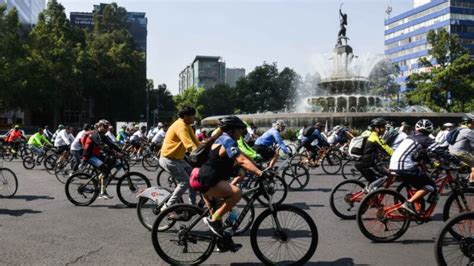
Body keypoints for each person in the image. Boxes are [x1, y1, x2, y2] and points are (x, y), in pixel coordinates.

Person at [197, 116, 264, 243]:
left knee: (218, 220)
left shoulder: (222, 138)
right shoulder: (228, 141)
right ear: (232, 130)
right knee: (237, 193)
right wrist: (260, 173)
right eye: (239, 130)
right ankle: (213, 220)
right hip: (210, 179)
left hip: (207, 177)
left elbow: (242, 156)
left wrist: (257, 166)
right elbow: (241, 160)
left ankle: (221, 243)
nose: (241, 132)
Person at [389, 119, 446, 216]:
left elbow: (423, 155)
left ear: (416, 128)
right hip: (405, 167)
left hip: (393, 165)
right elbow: (440, 150)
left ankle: (418, 207)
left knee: (420, 184)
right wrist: (456, 161)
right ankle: (409, 203)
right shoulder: (425, 138)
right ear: (429, 131)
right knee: (430, 185)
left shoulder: (410, 136)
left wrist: (432, 163)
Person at [160, 106, 200, 209]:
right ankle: (167, 206)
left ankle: (192, 204)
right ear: (186, 116)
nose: (194, 118)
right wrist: (197, 155)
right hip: (168, 159)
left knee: (193, 177)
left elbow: (196, 143)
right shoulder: (181, 126)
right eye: (192, 116)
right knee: (185, 182)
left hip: (178, 159)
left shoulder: (188, 126)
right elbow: (189, 144)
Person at [82, 119, 123, 199]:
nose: (106, 128)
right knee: (106, 170)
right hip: (89, 156)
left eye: (107, 127)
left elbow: (110, 144)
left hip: (96, 154)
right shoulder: (95, 134)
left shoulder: (102, 135)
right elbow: (102, 146)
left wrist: (121, 151)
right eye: (105, 126)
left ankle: (101, 183)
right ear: (99, 126)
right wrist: (114, 153)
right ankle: (101, 192)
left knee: (109, 164)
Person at [355, 118, 393, 192]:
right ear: (376, 128)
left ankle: (370, 198)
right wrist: (396, 155)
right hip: (368, 164)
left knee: (374, 180)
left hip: (365, 163)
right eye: (383, 127)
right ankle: (369, 193)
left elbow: (385, 147)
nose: (385, 129)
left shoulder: (373, 136)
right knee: (384, 177)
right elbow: (385, 148)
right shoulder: (374, 138)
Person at [449, 115, 474, 185]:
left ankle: (464, 178)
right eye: (473, 122)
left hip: (451, 150)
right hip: (459, 152)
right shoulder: (468, 131)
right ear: (468, 122)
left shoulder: (458, 129)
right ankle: (472, 181)